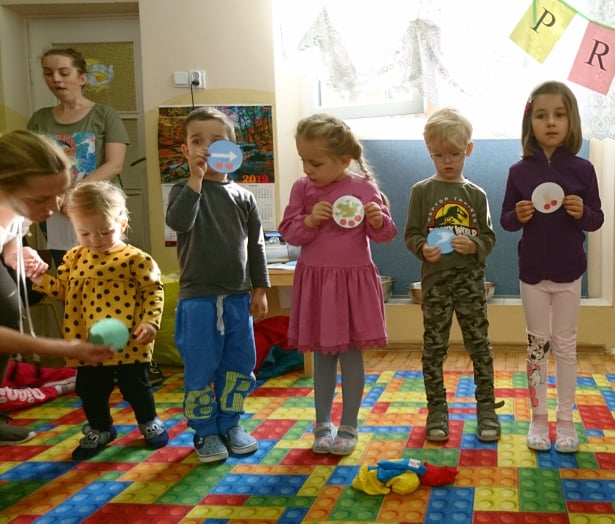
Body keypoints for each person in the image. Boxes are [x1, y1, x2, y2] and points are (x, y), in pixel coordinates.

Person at [278, 113, 397, 456]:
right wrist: (309, 220)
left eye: (315, 163)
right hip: (317, 282)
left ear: (344, 160)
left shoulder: (364, 188)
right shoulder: (303, 188)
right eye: (303, 160)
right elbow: (289, 231)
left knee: (351, 353)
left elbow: (385, 235)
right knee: (322, 356)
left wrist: (378, 219)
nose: (307, 169)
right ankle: (321, 424)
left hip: (351, 283)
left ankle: (349, 424)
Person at [500, 81, 603, 453]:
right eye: (542, 115)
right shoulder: (518, 172)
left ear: (570, 120)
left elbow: (596, 219)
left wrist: (581, 212)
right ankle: (538, 418)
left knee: (566, 346)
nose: (551, 122)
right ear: (530, 123)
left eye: (559, 114)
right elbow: (506, 220)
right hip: (532, 272)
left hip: (569, 271)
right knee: (536, 346)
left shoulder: (583, 169)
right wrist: (518, 213)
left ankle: (566, 421)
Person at [30, 181, 166, 460]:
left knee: (136, 387)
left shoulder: (136, 259)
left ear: (122, 223)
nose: (95, 239)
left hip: (130, 343)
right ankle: (101, 427)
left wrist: (150, 322)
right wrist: (41, 279)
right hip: (88, 343)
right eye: (84, 233)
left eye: (105, 231)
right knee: (89, 389)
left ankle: (148, 421)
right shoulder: (73, 258)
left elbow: (153, 291)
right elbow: (64, 291)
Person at [165, 107, 270, 463]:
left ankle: (230, 423)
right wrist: (195, 179)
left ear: (232, 149)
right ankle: (205, 430)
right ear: (186, 151)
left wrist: (260, 289)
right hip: (198, 299)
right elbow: (180, 223)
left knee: (239, 364)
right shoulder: (183, 190)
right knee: (200, 366)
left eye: (216, 141)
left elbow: (256, 246)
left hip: (238, 297)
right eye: (197, 141)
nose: (206, 148)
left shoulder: (244, 197)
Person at [0, 129, 116, 445]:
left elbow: (12, 233)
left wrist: (16, 253)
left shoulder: (23, 205)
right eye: (41, 199)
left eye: (60, 194)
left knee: (9, 312)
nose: (53, 208)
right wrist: (63, 348)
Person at [404, 107, 501, 444]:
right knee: (434, 348)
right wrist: (423, 248)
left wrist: (474, 245)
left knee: (479, 346)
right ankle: (437, 410)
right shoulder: (421, 191)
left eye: (455, 154)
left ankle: (486, 408)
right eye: (439, 154)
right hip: (435, 283)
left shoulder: (476, 194)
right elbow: (411, 234)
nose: (447, 161)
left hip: (470, 281)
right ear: (429, 151)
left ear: (468, 150)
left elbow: (489, 238)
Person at [28, 48, 129, 268]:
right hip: (55, 211)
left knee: (105, 272)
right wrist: (55, 197)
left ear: (82, 78)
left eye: (64, 73)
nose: (56, 79)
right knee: (67, 271)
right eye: (48, 73)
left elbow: (114, 164)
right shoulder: (40, 118)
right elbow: (32, 165)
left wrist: (73, 195)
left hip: (97, 208)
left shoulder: (105, 115)